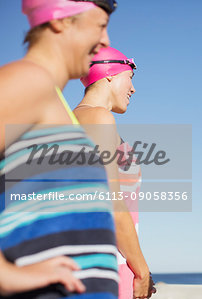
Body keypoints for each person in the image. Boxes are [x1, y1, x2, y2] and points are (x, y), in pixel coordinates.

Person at [0, 0, 119, 297]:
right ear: (60, 21)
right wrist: (6, 276)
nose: (105, 40)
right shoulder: (30, 79)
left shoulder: (54, 101)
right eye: (101, 26)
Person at [74, 46, 156, 299]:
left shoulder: (69, 118)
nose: (132, 89)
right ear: (110, 74)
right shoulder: (99, 118)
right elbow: (111, 201)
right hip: (106, 264)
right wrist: (141, 271)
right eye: (130, 78)